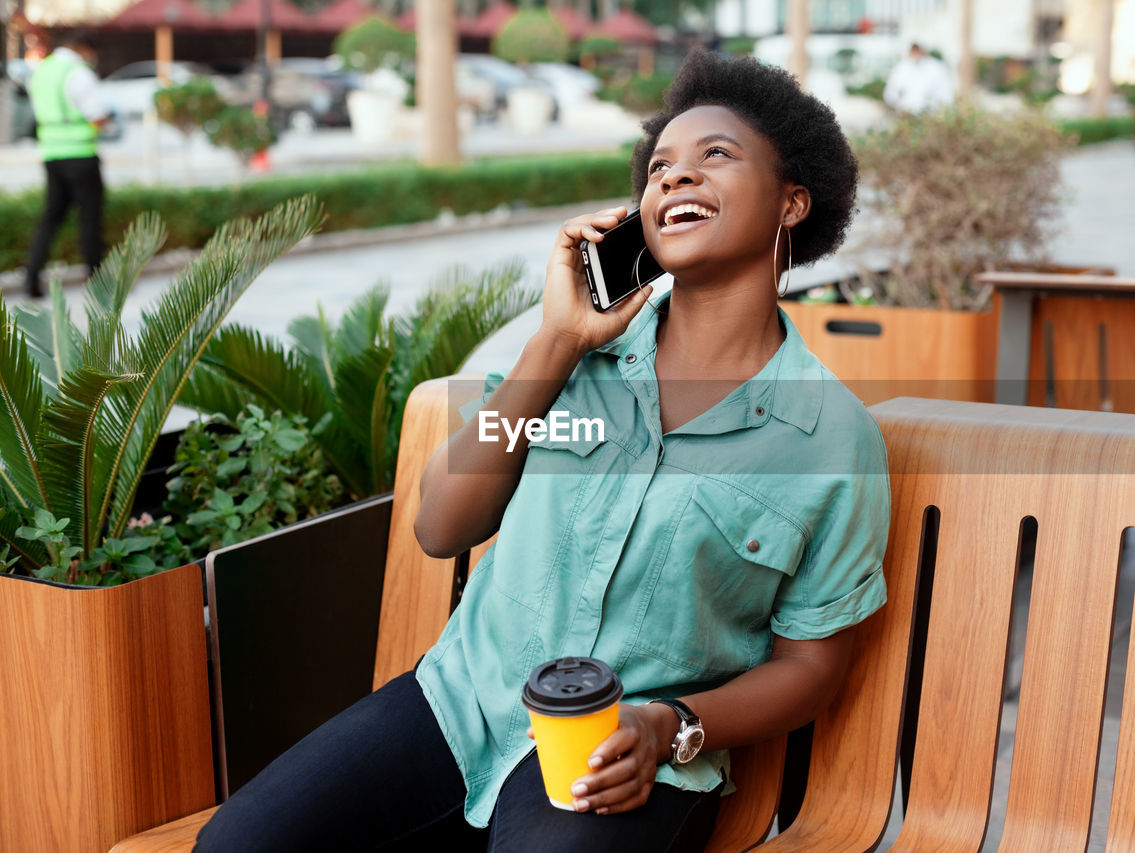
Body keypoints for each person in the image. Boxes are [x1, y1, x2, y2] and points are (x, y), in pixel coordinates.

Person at [194, 49, 890, 853]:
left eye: (716, 156)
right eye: (659, 167)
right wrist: (555, 342)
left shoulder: (828, 438)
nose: (676, 178)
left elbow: (812, 666)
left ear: (793, 202)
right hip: (460, 702)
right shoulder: (569, 364)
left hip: (627, 751)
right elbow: (441, 525)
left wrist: (673, 726)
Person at [23, 28, 108, 299]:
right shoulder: (78, 73)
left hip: (51, 155)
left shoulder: (42, 71)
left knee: (51, 217)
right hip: (81, 154)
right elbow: (95, 116)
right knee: (89, 218)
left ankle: (31, 281)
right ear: (84, 49)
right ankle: (97, 282)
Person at [883, 43, 954, 115]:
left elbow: (945, 93)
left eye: (917, 50)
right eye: (914, 51)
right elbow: (890, 93)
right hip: (906, 114)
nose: (916, 54)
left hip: (930, 115)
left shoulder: (936, 68)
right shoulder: (901, 68)